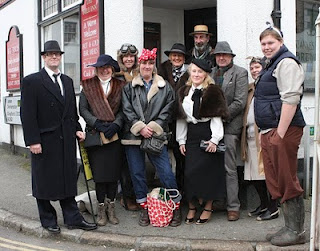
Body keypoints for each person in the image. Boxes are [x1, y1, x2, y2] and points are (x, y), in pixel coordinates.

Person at [20, 40, 97, 234]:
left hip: (65, 139)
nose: (54, 57)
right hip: (44, 141)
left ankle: (72, 218)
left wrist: (77, 128)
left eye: (57, 54)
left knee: (67, 179)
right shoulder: (32, 81)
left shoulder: (68, 81)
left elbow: (70, 111)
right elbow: (27, 114)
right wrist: (33, 141)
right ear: (44, 57)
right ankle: (47, 219)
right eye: (50, 54)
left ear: (61, 57)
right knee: (44, 180)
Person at [254, 23, 306, 247]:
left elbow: (291, 99)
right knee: (277, 179)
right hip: (271, 130)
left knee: (287, 178)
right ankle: (288, 226)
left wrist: (279, 134)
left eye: (270, 43)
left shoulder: (286, 62)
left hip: (283, 130)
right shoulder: (271, 64)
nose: (266, 47)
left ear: (281, 43)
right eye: (263, 43)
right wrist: (263, 132)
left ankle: (297, 230)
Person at [121, 48, 182, 227]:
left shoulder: (165, 87)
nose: (147, 66)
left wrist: (153, 127)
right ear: (139, 65)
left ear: (153, 65)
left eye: (150, 63)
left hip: (156, 135)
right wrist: (140, 128)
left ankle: (176, 206)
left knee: (165, 172)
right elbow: (126, 110)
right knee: (137, 173)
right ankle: (144, 209)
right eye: (144, 63)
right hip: (134, 136)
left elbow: (169, 109)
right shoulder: (128, 88)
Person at [176, 59, 228, 225]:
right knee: (190, 173)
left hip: (208, 133)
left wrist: (215, 140)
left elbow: (216, 118)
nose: (196, 74)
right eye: (194, 71)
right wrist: (181, 140)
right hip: (191, 135)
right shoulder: (184, 91)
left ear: (206, 74)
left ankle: (208, 206)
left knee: (208, 173)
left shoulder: (212, 91)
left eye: (200, 72)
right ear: (190, 73)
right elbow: (181, 119)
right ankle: (191, 206)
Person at [79, 54, 126, 226]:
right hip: (95, 134)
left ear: (112, 69)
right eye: (101, 67)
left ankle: (111, 209)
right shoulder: (88, 85)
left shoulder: (121, 85)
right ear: (96, 69)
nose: (104, 70)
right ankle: (101, 212)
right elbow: (82, 109)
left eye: (107, 67)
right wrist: (97, 123)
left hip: (114, 135)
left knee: (113, 175)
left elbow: (124, 109)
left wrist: (116, 124)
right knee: (99, 176)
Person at [210, 41, 248, 221]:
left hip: (230, 127)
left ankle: (233, 206)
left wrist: (220, 115)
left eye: (225, 55)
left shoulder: (240, 73)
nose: (221, 58)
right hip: (212, 128)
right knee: (214, 167)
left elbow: (240, 102)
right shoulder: (211, 73)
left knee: (229, 168)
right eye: (218, 55)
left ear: (231, 56)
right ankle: (219, 200)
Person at [240, 56, 279, 221]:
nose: (255, 70)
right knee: (253, 175)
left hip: (263, 135)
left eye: (257, 67)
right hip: (248, 137)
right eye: (252, 68)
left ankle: (273, 207)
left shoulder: (270, 86)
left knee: (267, 173)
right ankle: (263, 204)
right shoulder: (250, 88)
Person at [158, 43, 189, 193]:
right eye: (173, 55)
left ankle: (183, 189)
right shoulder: (162, 70)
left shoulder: (190, 72)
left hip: (183, 119)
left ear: (184, 58)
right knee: (166, 157)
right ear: (170, 57)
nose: (176, 58)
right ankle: (170, 190)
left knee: (182, 155)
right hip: (166, 119)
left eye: (179, 55)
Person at [115, 43, 140, 211]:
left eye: (132, 56)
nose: (129, 59)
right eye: (126, 57)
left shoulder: (142, 75)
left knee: (137, 165)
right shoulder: (116, 77)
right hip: (122, 125)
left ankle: (138, 195)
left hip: (139, 125)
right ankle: (126, 196)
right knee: (124, 165)